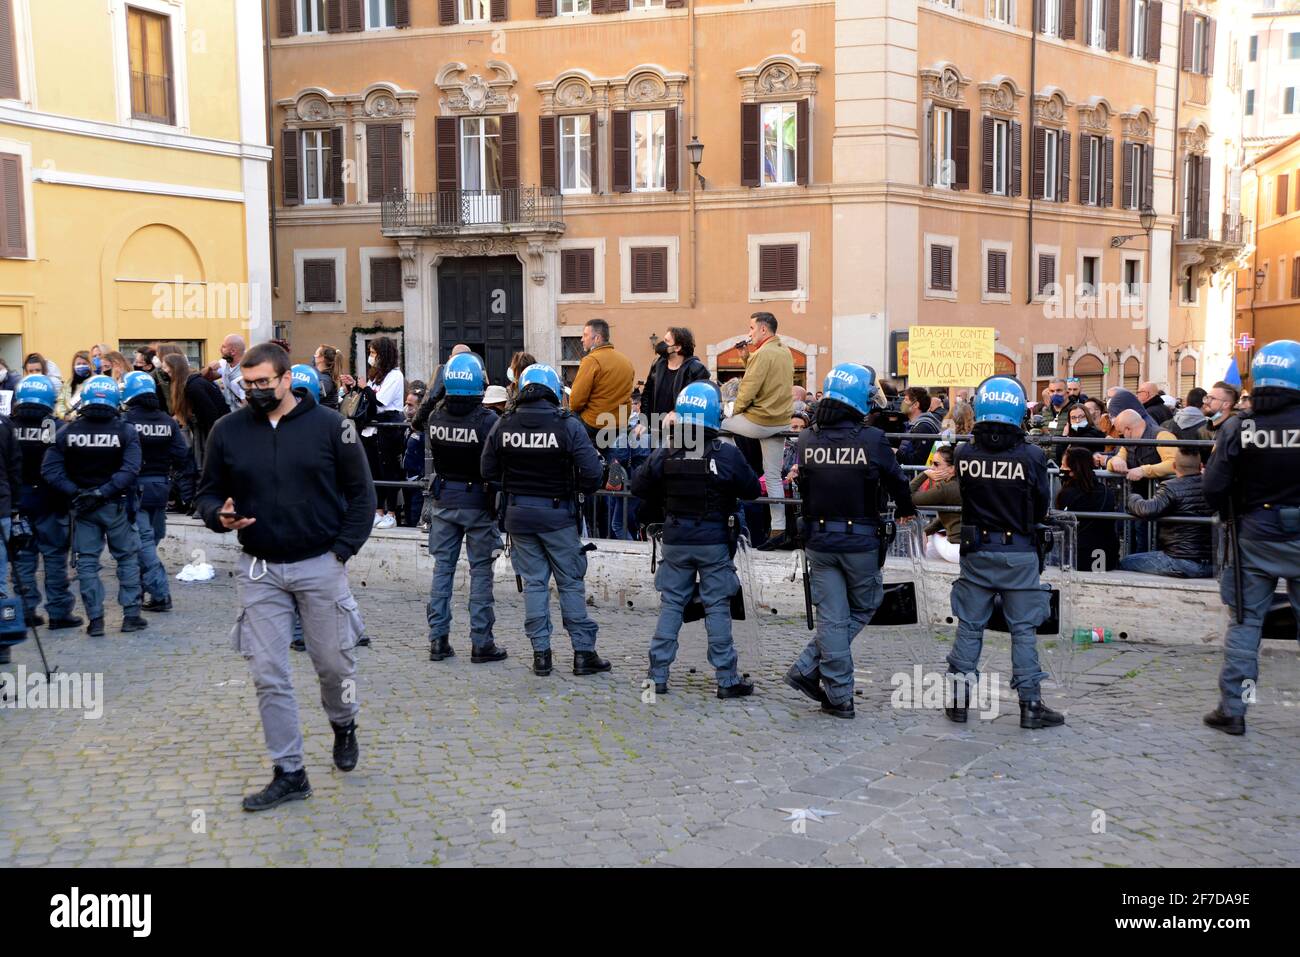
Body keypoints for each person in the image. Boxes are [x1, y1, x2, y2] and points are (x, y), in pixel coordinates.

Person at [196, 342, 376, 810]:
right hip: (258, 570)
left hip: (321, 564)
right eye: (247, 383)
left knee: (334, 665)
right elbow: (207, 493)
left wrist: (341, 552)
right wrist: (219, 515)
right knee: (268, 672)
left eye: (262, 383)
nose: (253, 391)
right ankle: (290, 771)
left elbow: (362, 495)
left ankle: (344, 722)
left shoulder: (334, 428)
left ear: (286, 380)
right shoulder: (227, 431)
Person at [783, 363, 916, 718]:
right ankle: (817, 675)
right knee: (865, 604)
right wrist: (905, 509)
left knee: (831, 617)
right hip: (859, 542)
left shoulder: (806, 437)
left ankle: (833, 690)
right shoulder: (871, 439)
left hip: (818, 541)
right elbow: (898, 481)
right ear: (861, 399)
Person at [945, 376, 1063, 730]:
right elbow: (1042, 504)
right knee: (1024, 629)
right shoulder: (1033, 456)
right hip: (1019, 552)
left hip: (976, 549)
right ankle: (1030, 706)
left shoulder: (964, 452)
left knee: (970, 625)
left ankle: (958, 702)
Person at [629, 381, 760, 698]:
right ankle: (727, 680)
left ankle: (657, 675)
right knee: (717, 607)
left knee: (671, 606)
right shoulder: (725, 453)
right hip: (714, 541)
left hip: (675, 539)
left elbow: (639, 487)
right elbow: (752, 491)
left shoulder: (666, 451)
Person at [480, 363, 607, 678]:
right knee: (570, 582)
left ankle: (541, 656)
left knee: (535, 584)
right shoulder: (567, 424)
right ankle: (583, 654)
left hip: (519, 517)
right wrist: (579, 488)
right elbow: (592, 472)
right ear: (553, 389)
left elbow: (487, 470)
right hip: (558, 516)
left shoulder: (504, 422)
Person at [1200, 340, 1300, 736]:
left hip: (1255, 534)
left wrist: (1233, 512)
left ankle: (1234, 710)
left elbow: (1214, 486)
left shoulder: (1241, 427)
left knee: (1245, 623)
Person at [40, 375, 146, 636]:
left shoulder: (68, 431)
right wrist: (104, 491)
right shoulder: (126, 430)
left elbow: (50, 469)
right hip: (117, 505)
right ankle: (131, 616)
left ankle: (95, 620)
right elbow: (131, 469)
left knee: (87, 563)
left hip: (84, 507)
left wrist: (78, 492)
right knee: (127, 559)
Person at [423, 353, 507, 665]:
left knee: (442, 570)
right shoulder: (488, 421)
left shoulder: (435, 417)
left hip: (444, 502)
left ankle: (438, 640)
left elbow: (419, 422)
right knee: (480, 572)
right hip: (478, 504)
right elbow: (496, 464)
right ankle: (481, 642)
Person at [8, 376, 81, 631]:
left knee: (23, 559)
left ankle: (26, 610)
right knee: (54, 557)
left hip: (18, 502)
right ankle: (59, 612)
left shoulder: (8, 426)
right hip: (52, 501)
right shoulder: (56, 427)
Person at [720, 312, 794, 549]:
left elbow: (748, 390)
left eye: (751, 327)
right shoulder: (784, 351)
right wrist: (745, 358)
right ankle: (779, 528)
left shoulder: (762, 354)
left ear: (763, 330)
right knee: (773, 476)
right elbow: (766, 375)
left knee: (718, 428)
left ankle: (734, 467)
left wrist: (731, 410)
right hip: (780, 421)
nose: (749, 332)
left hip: (761, 421)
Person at [122, 371, 190, 612]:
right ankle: (141, 588)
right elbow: (182, 456)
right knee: (152, 537)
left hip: (135, 488)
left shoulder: (126, 421)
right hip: (160, 488)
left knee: (143, 543)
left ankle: (160, 594)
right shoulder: (167, 421)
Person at [1120, 450, 1214, 578]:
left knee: (1125, 562)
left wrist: (1132, 497)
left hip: (1181, 561)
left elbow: (1147, 509)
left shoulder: (1171, 487)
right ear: (1201, 466)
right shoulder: (1214, 486)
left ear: (1174, 466)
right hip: (1211, 563)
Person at [360, 336, 405, 529]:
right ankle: (378, 510)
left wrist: (364, 388)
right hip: (373, 427)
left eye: (373, 353)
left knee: (389, 469)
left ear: (383, 354)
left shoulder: (395, 376)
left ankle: (392, 513)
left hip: (388, 426)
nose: (370, 356)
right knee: (374, 469)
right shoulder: (376, 375)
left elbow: (380, 400)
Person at [569, 318, 635, 446]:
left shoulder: (591, 360)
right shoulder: (626, 361)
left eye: (585, 335)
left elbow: (576, 402)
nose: (582, 339)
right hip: (618, 424)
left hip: (595, 425)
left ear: (597, 338)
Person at [1054, 446, 1120, 572]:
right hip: (1107, 559)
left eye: (1063, 466)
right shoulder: (1107, 492)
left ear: (1075, 470)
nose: (1061, 469)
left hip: (1077, 559)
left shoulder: (1068, 494)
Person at [641, 326, 710, 433]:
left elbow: (699, 402)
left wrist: (677, 412)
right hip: (656, 432)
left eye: (666, 341)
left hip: (683, 434)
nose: (661, 344)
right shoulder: (658, 364)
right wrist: (643, 422)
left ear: (677, 348)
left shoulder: (697, 370)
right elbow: (647, 394)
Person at [910, 445, 961, 563]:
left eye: (936, 464)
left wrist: (925, 474)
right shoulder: (962, 482)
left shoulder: (946, 488)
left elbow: (907, 497)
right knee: (929, 540)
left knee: (931, 537)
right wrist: (926, 530)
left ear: (952, 469)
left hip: (957, 550)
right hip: (970, 546)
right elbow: (945, 518)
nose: (932, 468)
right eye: (932, 464)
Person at [898, 386, 943, 466]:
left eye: (906, 399)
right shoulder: (913, 424)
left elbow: (918, 461)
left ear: (915, 405)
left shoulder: (923, 427)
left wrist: (897, 453)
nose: (903, 402)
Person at [210, 334, 247, 411]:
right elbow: (207, 377)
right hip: (229, 411)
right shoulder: (224, 363)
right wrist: (209, 368)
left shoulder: (245, 374)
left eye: (223, 347)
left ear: (233, 351)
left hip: (239, 415)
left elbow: (247, 406)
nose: (220, 349)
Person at [55, 351, 94, 419]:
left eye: (84, 363)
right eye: (78, 364)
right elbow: (60, 402)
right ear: (74, 366)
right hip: (67, 422)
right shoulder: (68, 384)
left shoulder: (94, 382)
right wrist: (64, 415)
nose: (81, 366)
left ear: (90, 365)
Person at [312, 344, 341, 411]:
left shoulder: (326, 380)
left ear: (322, 358)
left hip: (325, 419)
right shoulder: (323, 376)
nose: (314, 356)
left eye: (316, 354)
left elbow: (315, 396)